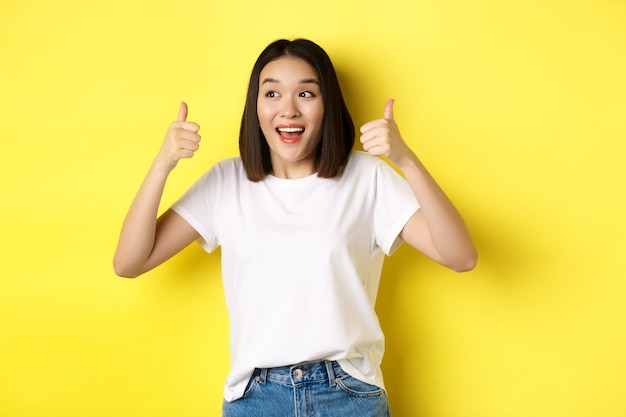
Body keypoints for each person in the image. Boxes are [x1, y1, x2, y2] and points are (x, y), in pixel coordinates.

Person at [113, 38, 477, 417]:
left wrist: (407, 161)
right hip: (255, 399)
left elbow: (460, 256)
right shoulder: (226, 181)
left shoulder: (367, 178)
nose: (288, 110)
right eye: (272, 93)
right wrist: (162, 165)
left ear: (327, 106)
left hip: (348, 396)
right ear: (256, 108)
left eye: (306, 93)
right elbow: (129, 262)